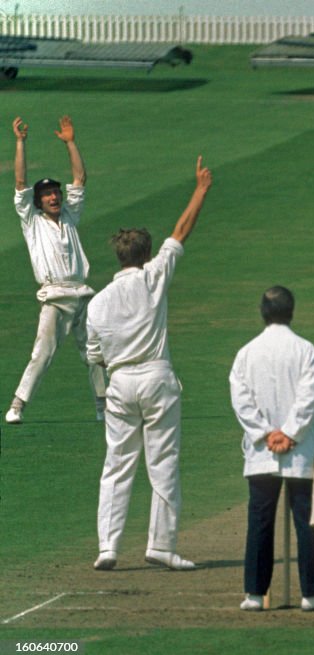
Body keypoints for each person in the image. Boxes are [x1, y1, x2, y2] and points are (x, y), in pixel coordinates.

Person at [86, 157, 212, 572]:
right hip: (156, 377)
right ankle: (161, 545)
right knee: (163, 461)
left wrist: (102, 400)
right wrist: (200, 189)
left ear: (120, 258)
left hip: (119, 382)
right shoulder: (154, 276)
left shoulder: (98, 302)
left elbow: (94, 358)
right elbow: (181, 232)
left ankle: (108, 546)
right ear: (143, 254)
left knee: (116, 465)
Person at [229, 286, 314, 613]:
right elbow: (309, 397)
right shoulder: (305, 349)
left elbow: (241, 400)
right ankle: (311, 594)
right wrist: (288, 433)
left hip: (263, 451)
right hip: (298, 449)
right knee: (305, 521)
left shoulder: (247, 352)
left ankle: (254, 595)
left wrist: (267, 434)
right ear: (292, 311)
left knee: (259, 522)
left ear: (263, 312)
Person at [6, 115, 106, 424]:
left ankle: (104, 408)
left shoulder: (70, 216)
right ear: (38, 201)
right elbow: (20, 183)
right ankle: (17, 405)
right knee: (42, 354)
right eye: (47, 194)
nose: (53, 197)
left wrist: (70, 142)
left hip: (82, 294)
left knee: (96, 355)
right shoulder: (31, 221)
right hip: (55, 296)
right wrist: (21, 142)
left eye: (55, 193)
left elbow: (80, 179)